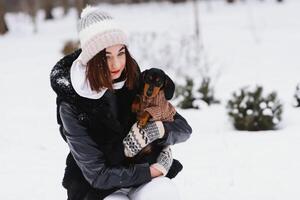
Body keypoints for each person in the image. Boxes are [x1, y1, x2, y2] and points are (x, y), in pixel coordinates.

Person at [50, 5, 192, 200]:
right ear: (91, 58)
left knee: (164, 193)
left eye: (121, 52)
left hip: (142, 172)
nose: (116, 64)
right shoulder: (72, 102)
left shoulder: (137, 81)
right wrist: (151, 172)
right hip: (98, 188)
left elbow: (183, 128)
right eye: (106, 56)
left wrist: (159, 131)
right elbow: (97, 175)